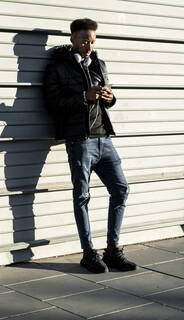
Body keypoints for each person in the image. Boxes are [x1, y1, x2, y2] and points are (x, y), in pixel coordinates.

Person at [43, 18, 137, 273]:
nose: (89, 46)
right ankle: (88, 253)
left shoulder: (98, 64)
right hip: (79, 141)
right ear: (73, 38)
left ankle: (113, 250)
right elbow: (52, 104)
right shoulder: (58, 68)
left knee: (121, 189)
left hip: (104, 138)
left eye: (92, 41)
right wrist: (83, 97)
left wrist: (111, 97)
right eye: (84, 40)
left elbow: (107, 100)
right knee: (82, 196)